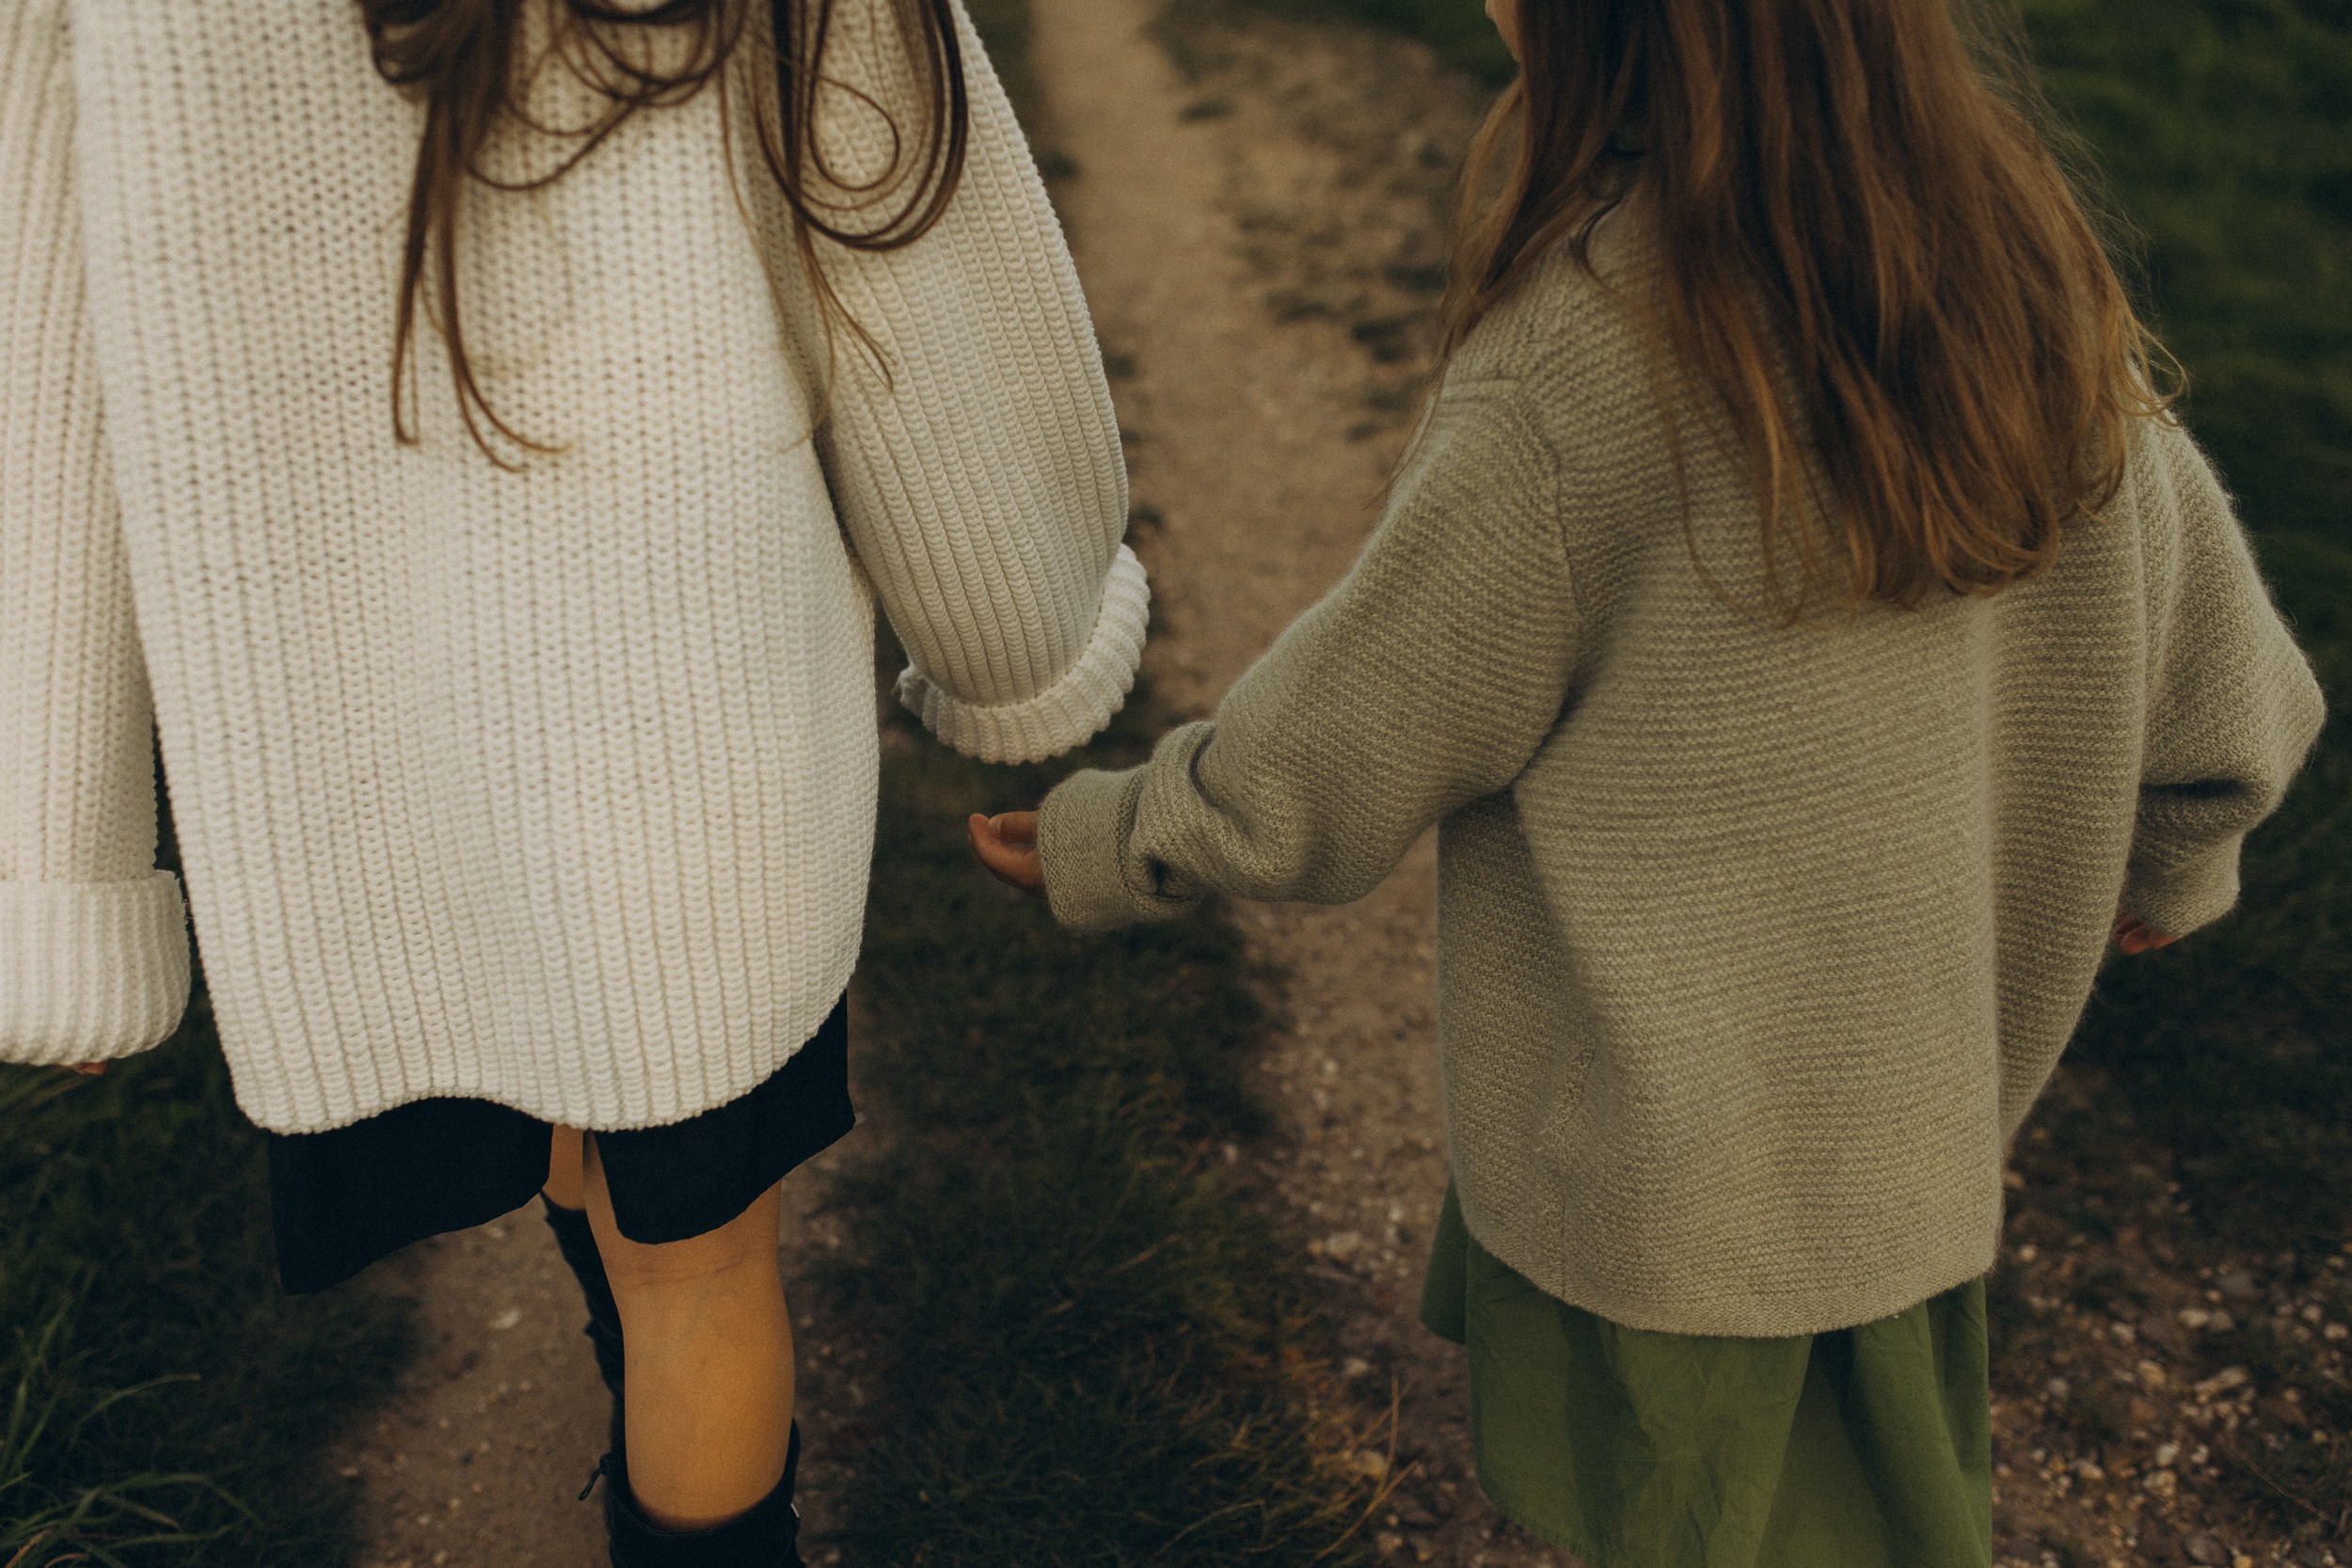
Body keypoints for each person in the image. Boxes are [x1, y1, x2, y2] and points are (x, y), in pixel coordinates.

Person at [969, 0, 2327, 1561]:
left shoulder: (1580, 363)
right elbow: (2232, 686)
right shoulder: (2024, 276)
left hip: (1670, 1204)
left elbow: (1345, 739)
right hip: (1913, 1166)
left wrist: (1122, 832)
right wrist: (2169, 861)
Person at [0, 0, 1145, 1561]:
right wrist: (1020, 629)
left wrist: (54, 854)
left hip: (350, 748)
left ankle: (640, 1412)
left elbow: (44, 376)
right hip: (699, 724)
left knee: (581, 1128)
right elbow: (907, 273)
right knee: (695, 1266)